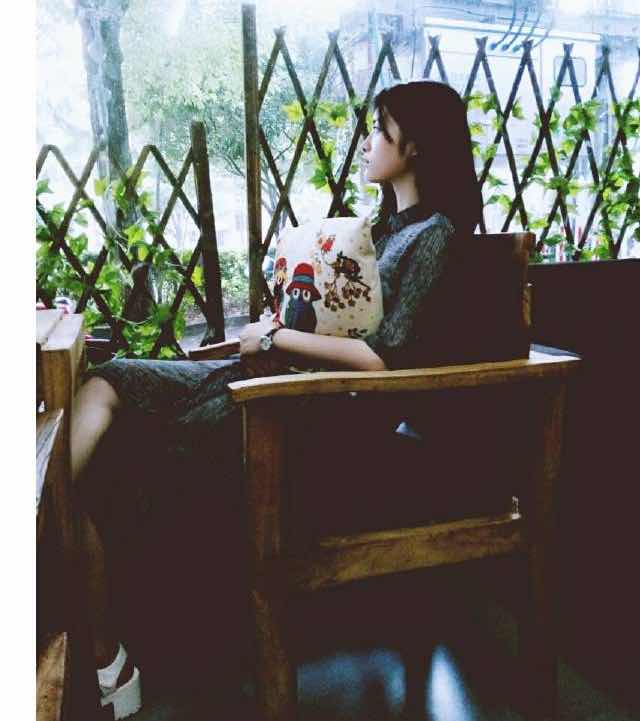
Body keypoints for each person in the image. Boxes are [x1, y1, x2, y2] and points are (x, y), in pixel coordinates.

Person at [70, 79, 480, 719]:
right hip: (281, 370)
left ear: (417, 148)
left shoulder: (433, 237)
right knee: (112, 375)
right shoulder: (380, 229)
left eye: (380, 130)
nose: (367, 142)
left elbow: (383, 359)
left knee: (127, 455)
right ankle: (40, 509)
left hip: (322, 411)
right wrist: (282, 320)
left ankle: (109, 651)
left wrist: (276, 336)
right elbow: (339, 321)